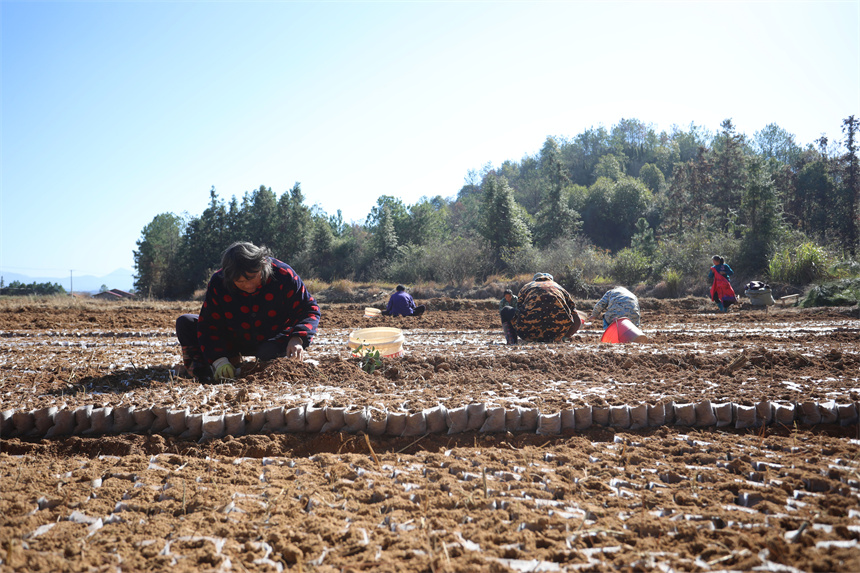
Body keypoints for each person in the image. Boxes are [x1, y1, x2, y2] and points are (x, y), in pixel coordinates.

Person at [176, 241, 320, 382]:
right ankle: (206, 372)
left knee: (266, 354)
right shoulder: (218, 282)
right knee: (186, 322)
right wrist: (218, 359)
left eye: (251, 278)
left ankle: (264, 362)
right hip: (234, 338)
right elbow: (208, 324)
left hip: (273, 337)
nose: (248, 286)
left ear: (262, 266)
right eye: (239, 282)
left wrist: (297, 338)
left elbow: (309, 309)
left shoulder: (284, 275)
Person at [505, 272, 581, 344]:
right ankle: (563, 338)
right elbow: (577, 321)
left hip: (529, 334)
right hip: (556, 335)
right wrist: (565, 336)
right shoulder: (560, 288)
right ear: (551, 280)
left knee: (506, 310)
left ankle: (512, 341)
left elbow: (519, 309)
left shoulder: (527, 287)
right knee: (572, 313)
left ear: (535, 281)